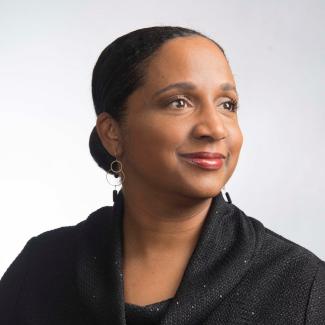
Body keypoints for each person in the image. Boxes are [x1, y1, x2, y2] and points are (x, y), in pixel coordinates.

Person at [0, 26, 324, 325]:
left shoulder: (302, 284)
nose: (214, 128)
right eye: (179, 102)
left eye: (227, 104)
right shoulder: (42, 267)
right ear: (112, 133)